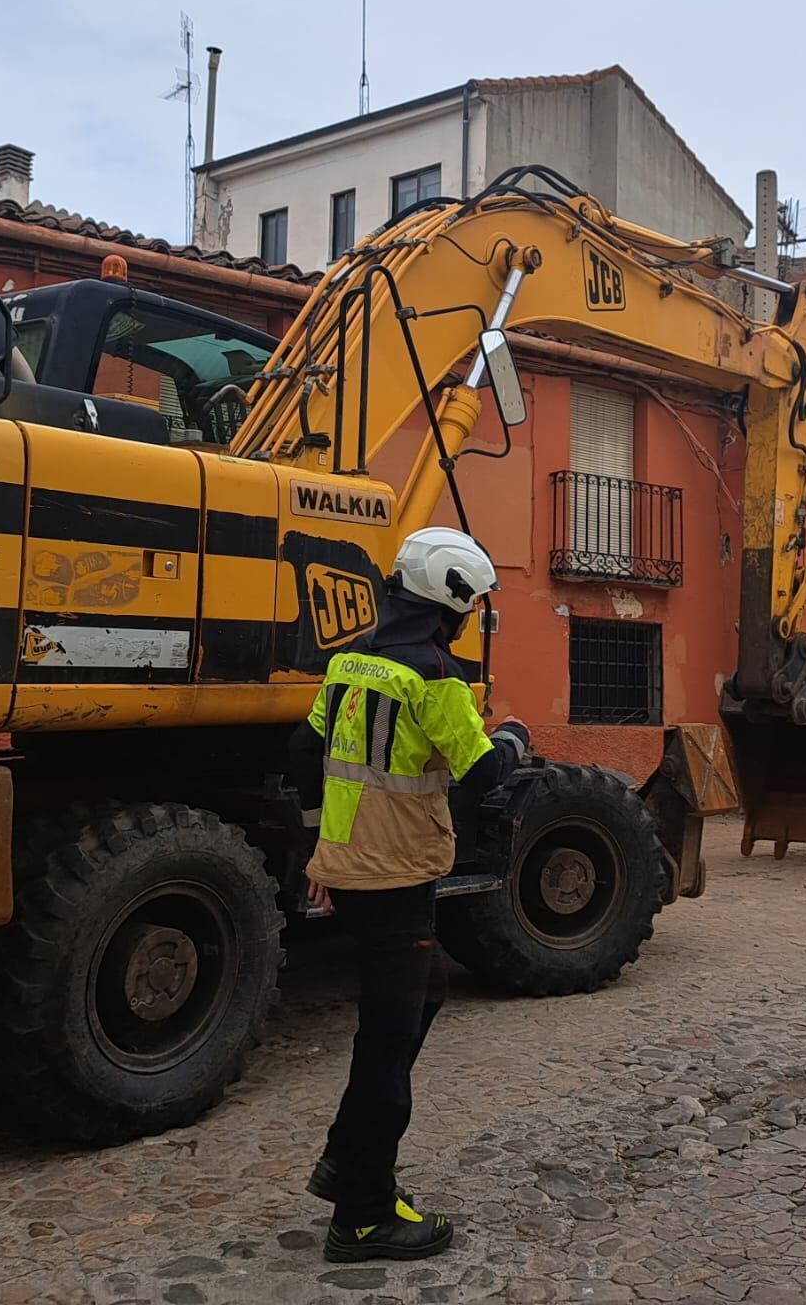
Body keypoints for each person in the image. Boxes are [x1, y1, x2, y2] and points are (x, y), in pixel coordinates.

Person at [289, 527, 529, 1264]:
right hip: (397, 873)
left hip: (354, 865)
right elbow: (486, 777)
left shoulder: (348, 664)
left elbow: (309, 756)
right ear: (451, 606)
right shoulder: (435, 678)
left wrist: (327, 850)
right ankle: (362, 1213)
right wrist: (514, 741)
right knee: (387, 1040)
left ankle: (343, 1158)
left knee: (423, 996)